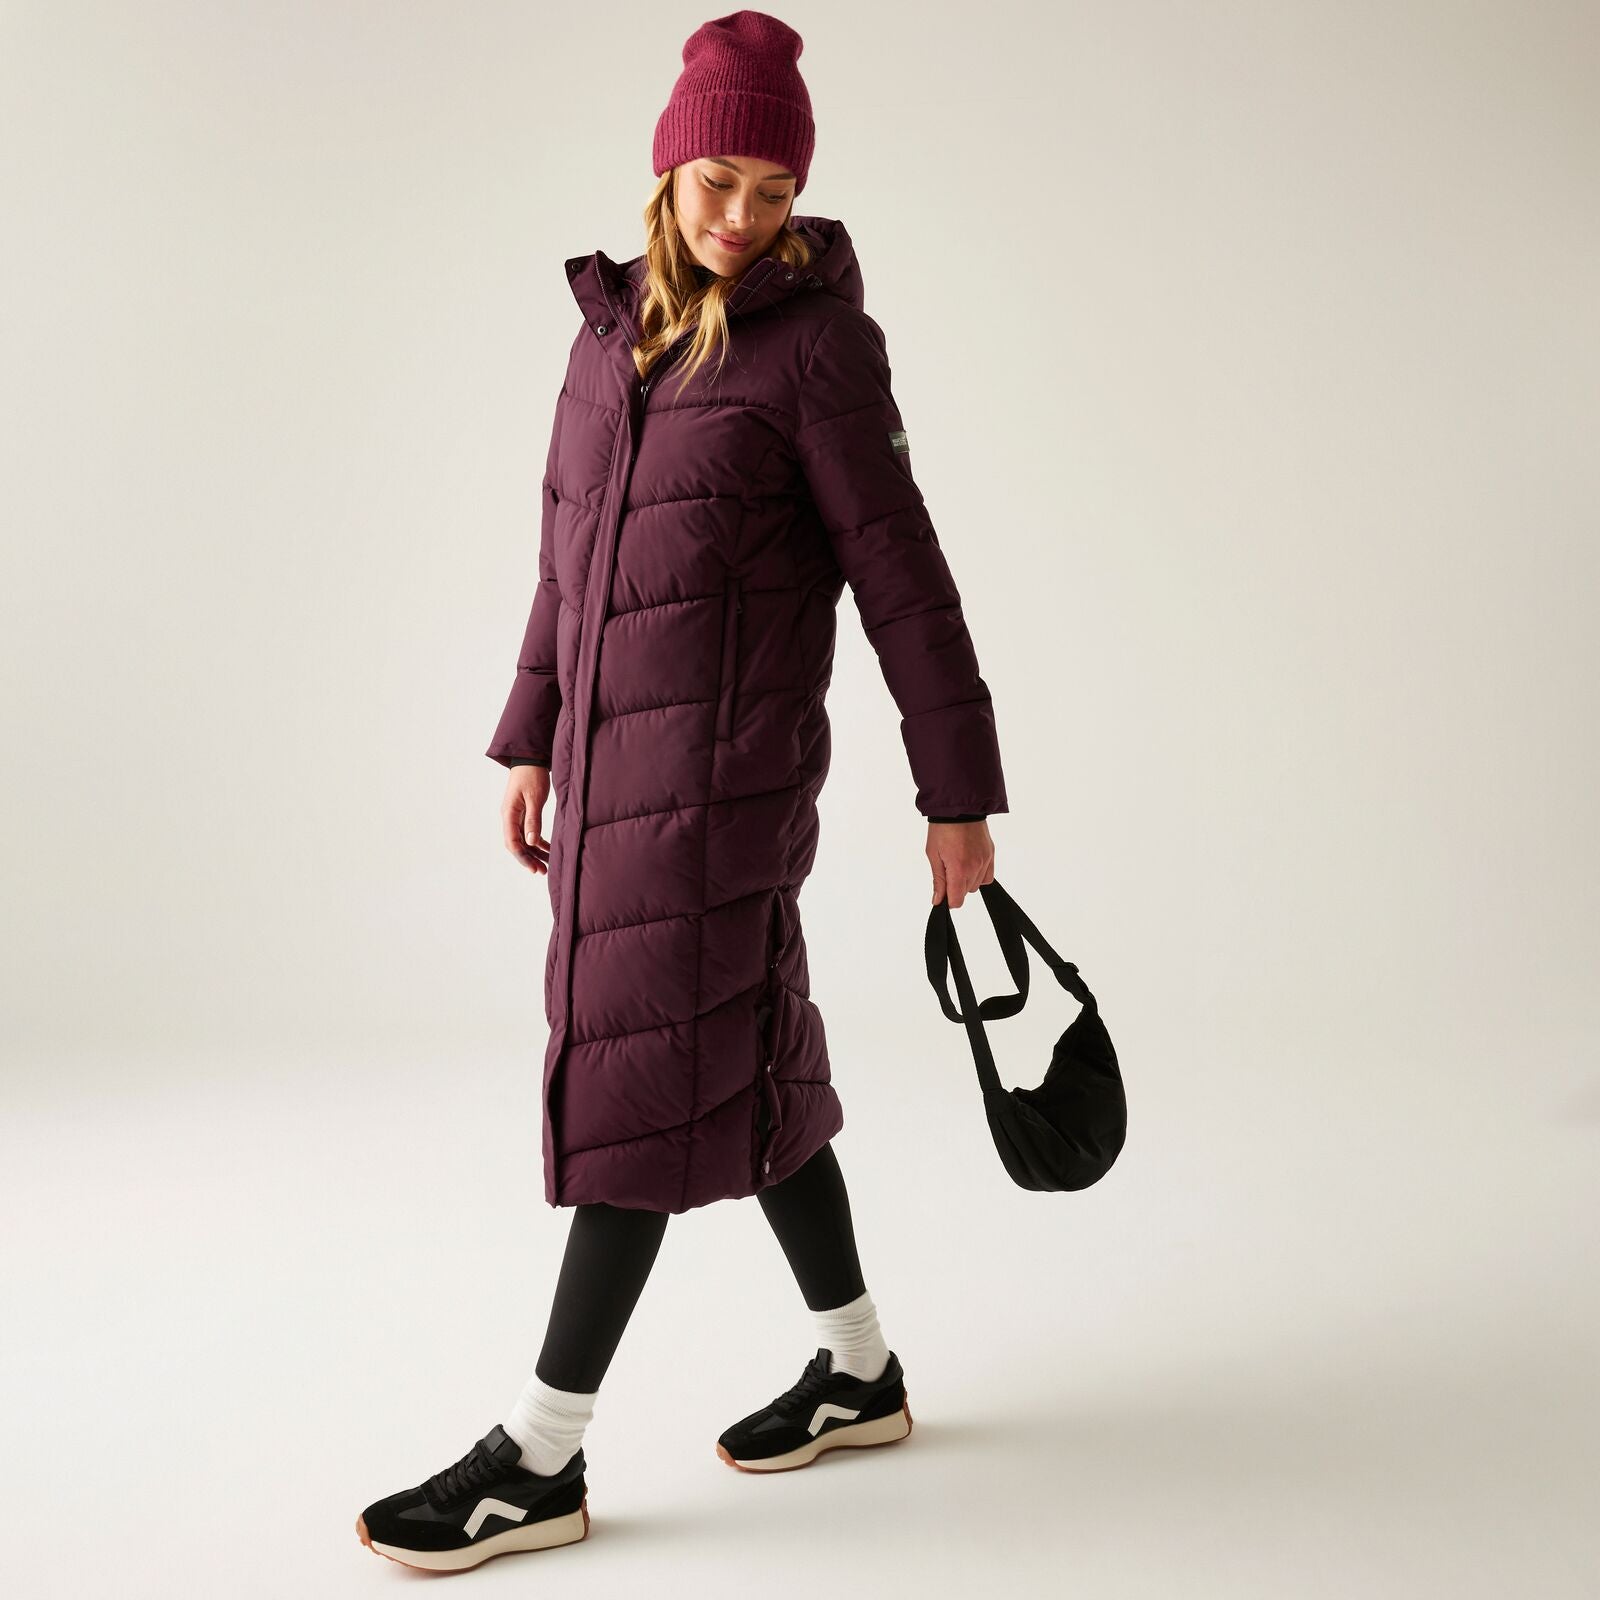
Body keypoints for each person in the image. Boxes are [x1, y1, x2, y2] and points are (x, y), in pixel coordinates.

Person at [356, 9, 1007, 1572]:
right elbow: (567, 560)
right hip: (607, 782)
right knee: (753, 1076)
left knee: (644, 1086)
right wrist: (529, 732)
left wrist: (958, 796)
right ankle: (860, 1372)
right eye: (721, 183)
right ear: (667, 173)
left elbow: (906, 582)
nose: (743, 217)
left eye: (774, 194)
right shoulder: (607, 341)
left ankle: (538, 1456)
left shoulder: (819, 353)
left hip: (719, 794)